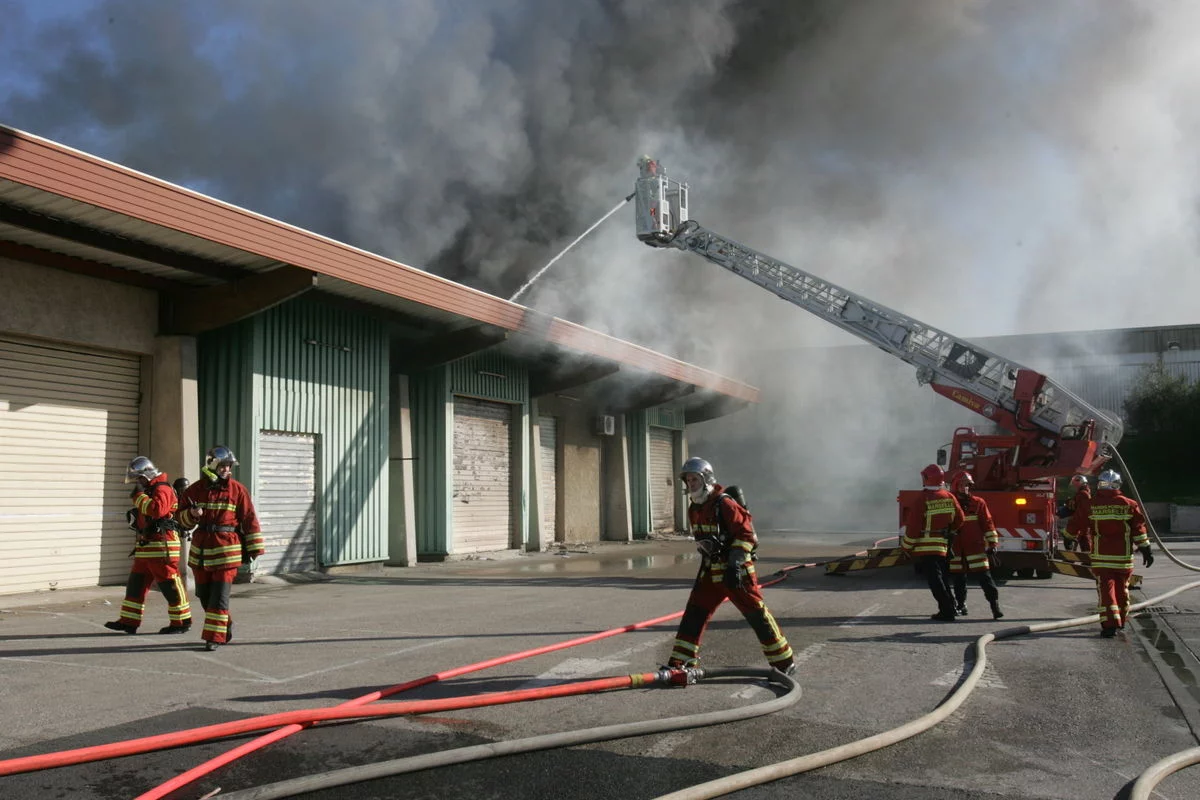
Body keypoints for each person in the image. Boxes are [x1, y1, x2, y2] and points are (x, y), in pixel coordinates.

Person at [664, 457, 795, 675]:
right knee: (694, 613)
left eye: (695, 479)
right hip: (711, 571)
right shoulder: (694, 508)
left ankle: (784, 662)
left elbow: (745, 535)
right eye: (688, 480)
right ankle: (681, 663)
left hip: (737, 571)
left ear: (706, 479)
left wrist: (735, 564)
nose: (691, 484)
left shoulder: (723, 503)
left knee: (757, 616)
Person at [175, 446, 265, 651]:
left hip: (227, 550)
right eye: (223, 466)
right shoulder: (195, 490)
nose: (227, 470)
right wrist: (192, 514)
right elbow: (181, 520)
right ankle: (224, 624)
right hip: (201, 552)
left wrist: (254, 548)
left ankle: (214, 637)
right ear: (212, 466)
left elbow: (249, 519)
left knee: (219, 597)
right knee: (204, 596)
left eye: (229, 466)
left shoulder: (237, 490)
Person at [104, 457, 192, 635]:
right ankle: (129, 621)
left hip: (162, 544)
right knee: (136, 584)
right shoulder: (152, 489)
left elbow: (157, 510)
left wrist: (138, 498)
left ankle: (181, 621)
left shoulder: (163, 488)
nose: (139, 483)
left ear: (147, 474)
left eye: (139, 479)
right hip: (148, 544)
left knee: (169, 584)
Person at [1067, 468, 1152, 638]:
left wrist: (1069, 537)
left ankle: (1109, 626)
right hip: (1123, 558)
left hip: (1102, 558)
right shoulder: (1129, 504)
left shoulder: (1091, 505)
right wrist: (1146, 549)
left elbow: (1077, 522)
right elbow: (1138, 529)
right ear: (1118, 485)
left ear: (1099, 485)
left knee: (1107, 591)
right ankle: (1120, 621)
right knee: (1122, 590)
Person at [901, 464, 965, 622]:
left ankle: (947, 610)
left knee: (935, 581)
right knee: (942, 577)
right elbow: (960, 519)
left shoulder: (923, 498)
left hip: (926, 547)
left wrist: (906, 547)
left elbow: (914, 526)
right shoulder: (949, 496)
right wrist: (949, 531)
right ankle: (951, 606)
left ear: (927, 478)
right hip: (943, 545)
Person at [947, 470, 1003, 620]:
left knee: (985, 578)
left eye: (968, 485)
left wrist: (992, 543)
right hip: (956, 548)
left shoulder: (978, 503)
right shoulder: (949, 503)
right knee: (959, 579)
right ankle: (961, 605)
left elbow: (988, 524)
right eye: (962, 485)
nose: (965, 488)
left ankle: (995, 606)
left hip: (975, 547)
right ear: (955, 485)